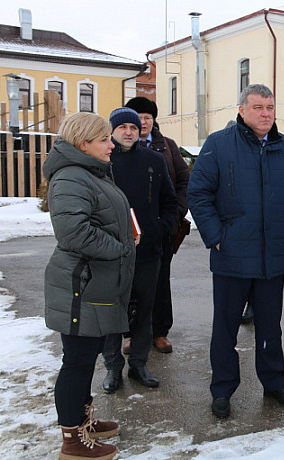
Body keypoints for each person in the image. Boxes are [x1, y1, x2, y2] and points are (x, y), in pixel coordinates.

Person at [187, 83, 284, 419]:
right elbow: (198, 194)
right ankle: (223, 389)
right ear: (242, 110)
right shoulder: (218, 144)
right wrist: (216, 235)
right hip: (231, 255)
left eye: (270, 108)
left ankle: (275, 384)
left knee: (270, 327)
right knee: (225, 328)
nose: (265, 114)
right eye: (258, 107)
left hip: (273, 258)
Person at [43, 112, 137, 460]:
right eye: (104, 140)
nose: (112, 144)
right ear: (83, 144)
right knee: (77, 362)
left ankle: (81, 420)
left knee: (85, 358)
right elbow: (73, 233)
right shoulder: (71, 177)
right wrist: (120, 248)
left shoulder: (88, 172)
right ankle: (72, 441)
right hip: (80, 286)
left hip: (93, 284)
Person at [101, 108, 178, 393]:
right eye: (123, 128)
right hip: (111, 252)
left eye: (134, 127)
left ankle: (139, 364)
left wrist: (162, 227)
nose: (129, 132)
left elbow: (169, 200)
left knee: (145, 308)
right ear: (113, 131)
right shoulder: (102, 161)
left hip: (148, 250)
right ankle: (112, 368)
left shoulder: (154, 161)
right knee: (112, 311)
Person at [125, 97, 191, 353]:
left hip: (162, 227)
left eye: (147, 118)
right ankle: (131, 333)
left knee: (160, 280)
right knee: (130, 280)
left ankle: (160, 331)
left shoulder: (168, 146)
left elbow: (184, 180)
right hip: (130, 228)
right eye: (138, 117)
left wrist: (175, 213)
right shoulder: (121, 145)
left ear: (154, 120)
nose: (142, 122)